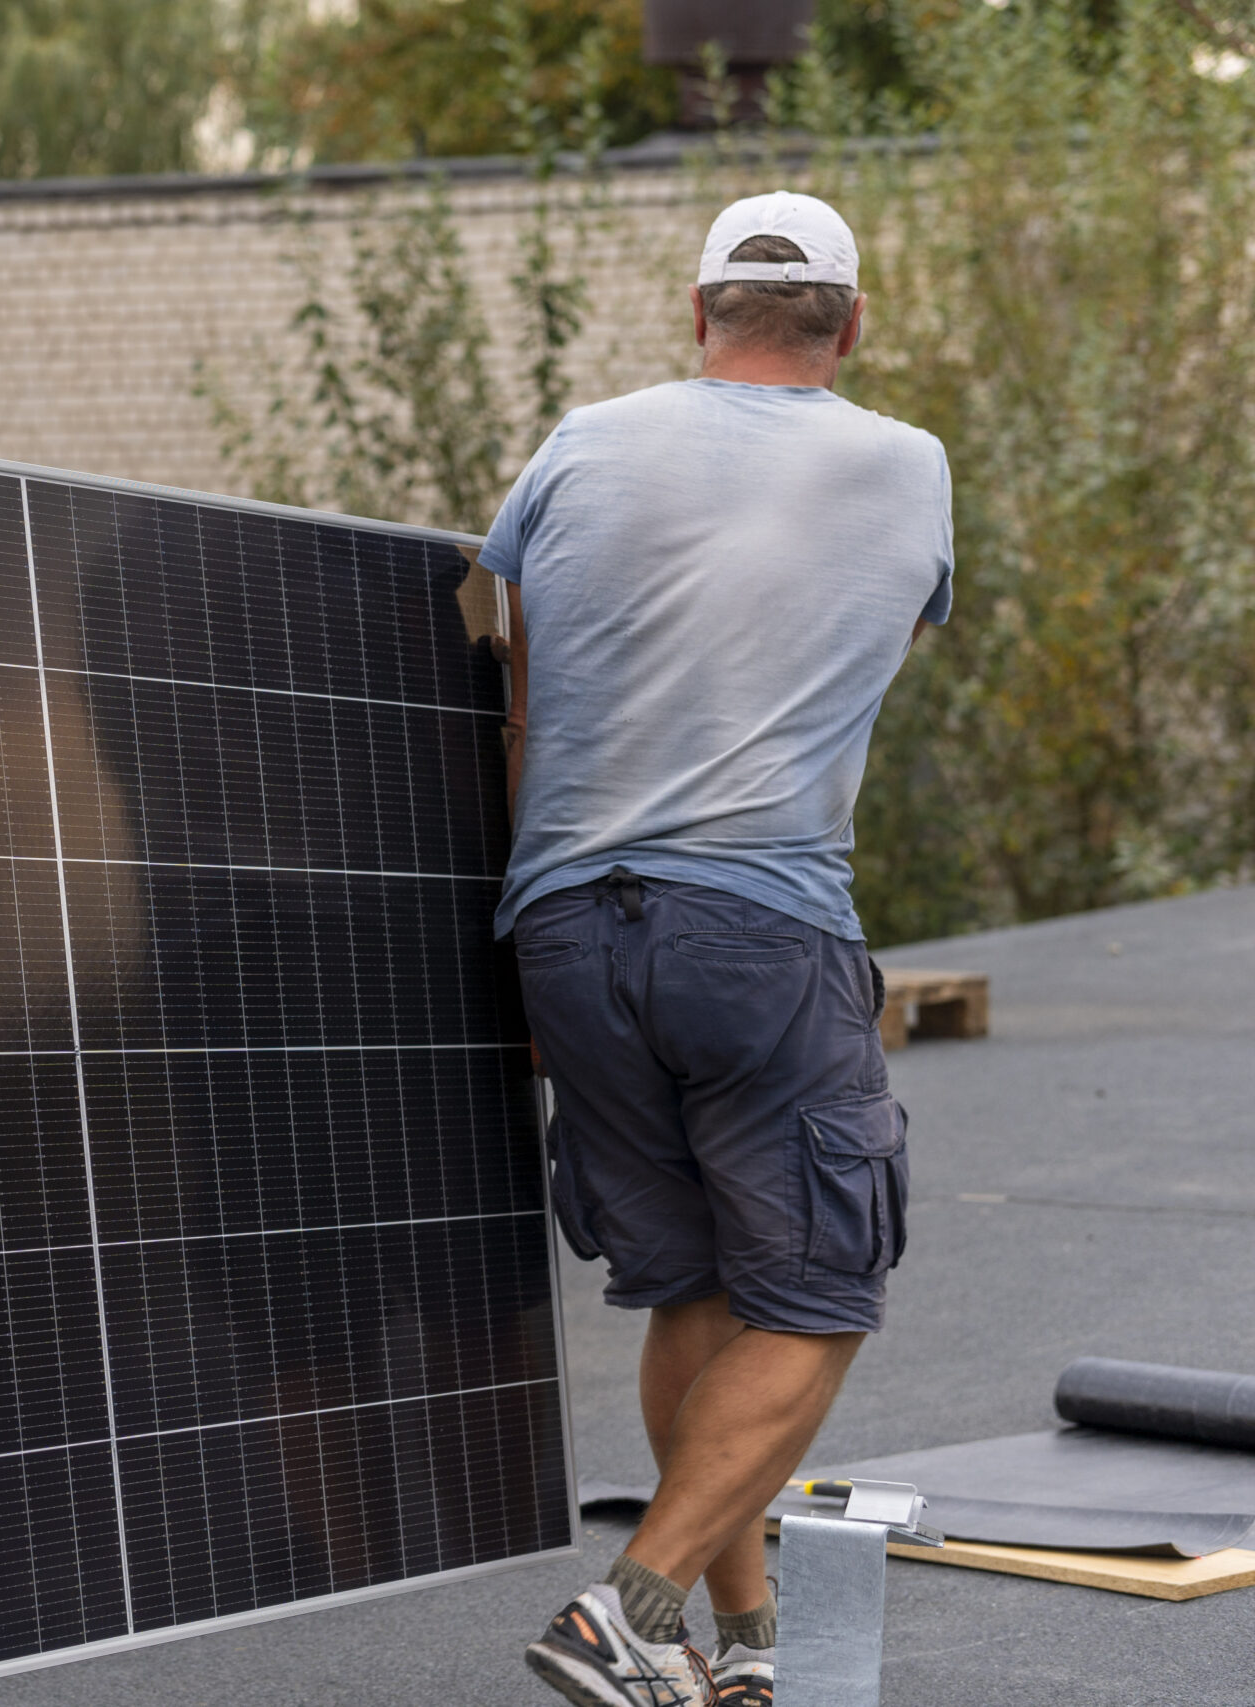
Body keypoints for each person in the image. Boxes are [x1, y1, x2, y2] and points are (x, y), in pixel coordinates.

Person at [485, 194, 953, 1707]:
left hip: (562, 927)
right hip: (758, 924)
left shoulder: (578, 442)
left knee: (694, 1294)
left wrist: (540, 913)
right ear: (852, 323)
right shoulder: (905, 467)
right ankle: (630, 1608)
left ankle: (734, 1651)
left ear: (700, 311)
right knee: (820, 1291)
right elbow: (890, 635)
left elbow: (523, 679)